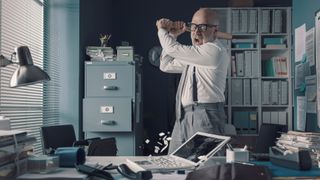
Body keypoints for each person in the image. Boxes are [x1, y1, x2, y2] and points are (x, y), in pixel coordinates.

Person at [156, 8, 230, 154]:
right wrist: (172, 35)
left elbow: (172, 49)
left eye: (203, 27)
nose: (197, 32)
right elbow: (165, 65)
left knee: (207, 166)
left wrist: (162, 30)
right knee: (175, 163)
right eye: (194, 27)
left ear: (215, 30)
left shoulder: (215, 51)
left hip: (206, 115)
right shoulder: (195, 56)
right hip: (183, 115)